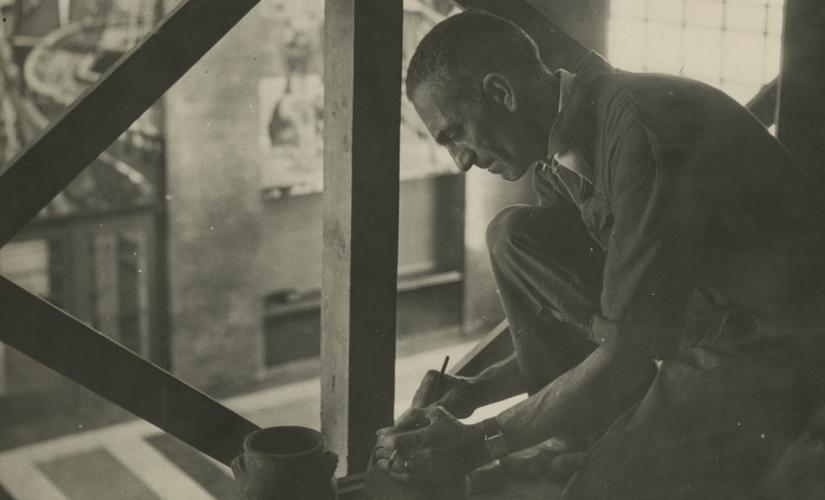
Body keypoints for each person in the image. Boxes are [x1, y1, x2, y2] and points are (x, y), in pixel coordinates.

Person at [373, 10, 825, 500]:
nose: (459, 160)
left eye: (454, 133)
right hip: (698, 316)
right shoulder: (560, 154)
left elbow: (627, 353)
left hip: (775, 342)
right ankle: (581, 435)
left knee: (596, 493)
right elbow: (598, 324)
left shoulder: (640, 133)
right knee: (514, 233)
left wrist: (481, 441)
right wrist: (477, 390)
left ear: (501, 93)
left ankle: (605, 445)